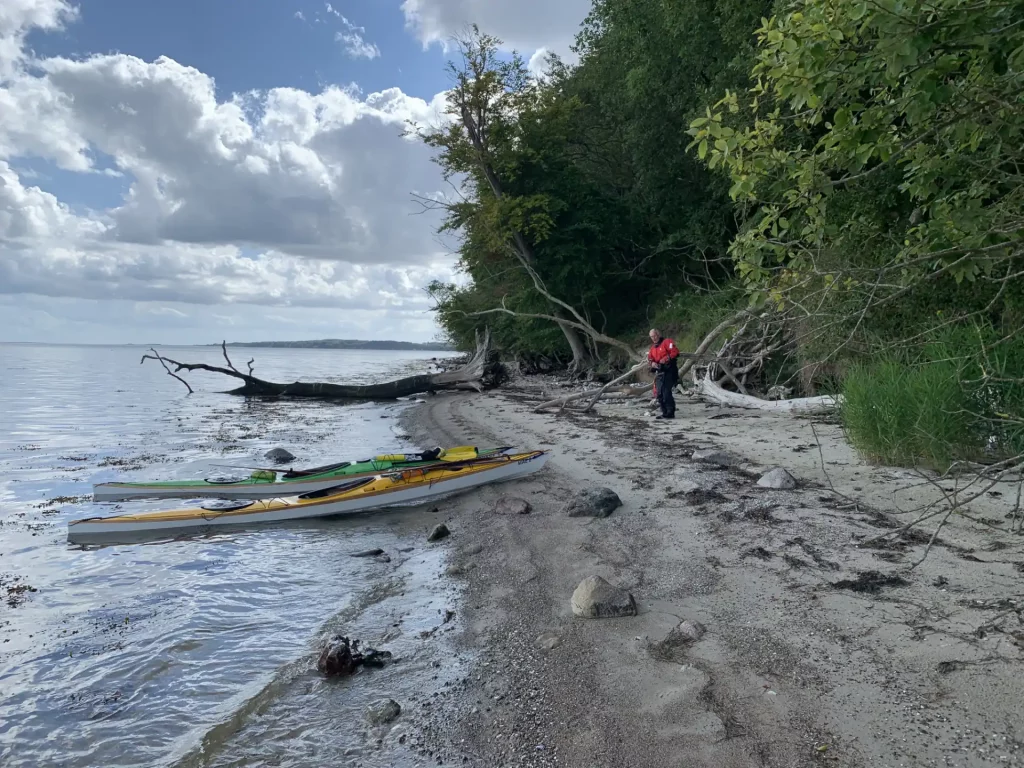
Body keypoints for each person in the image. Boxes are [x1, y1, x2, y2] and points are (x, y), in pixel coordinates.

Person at [647, 328, 679, 419]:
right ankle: (664, 412)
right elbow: (650, 358)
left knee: (666, 392)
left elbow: (675, 352)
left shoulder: (667, 342)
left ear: (659, 334)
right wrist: (652, 363)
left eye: (655, 336)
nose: (654, 338)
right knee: (659, 393)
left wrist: (665, 359)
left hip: (670, 370)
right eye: (652, 337)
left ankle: (670, 412)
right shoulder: (652, 348)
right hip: (660, 372)